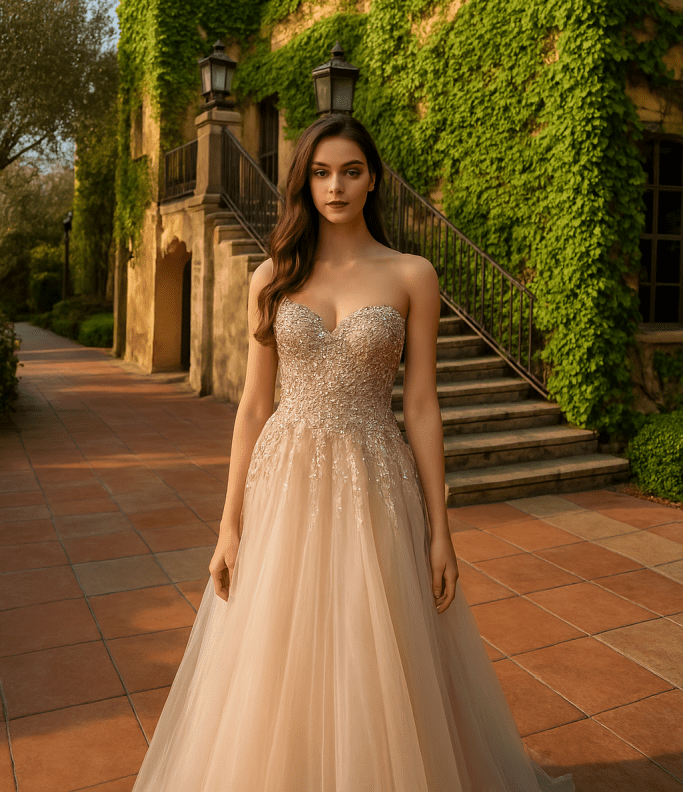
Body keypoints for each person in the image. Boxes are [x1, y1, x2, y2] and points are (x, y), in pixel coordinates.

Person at [132, 113, 574, 791]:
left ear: (373, 181)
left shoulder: (411, 274)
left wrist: (441, 529)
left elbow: (421, 406)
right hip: (285, 481)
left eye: (350, 171)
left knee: (374, 643)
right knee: (279, 643)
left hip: (375, 477)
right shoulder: (272, 277)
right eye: (320, 173)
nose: (335, 186)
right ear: (304, 183)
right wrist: (228, 526)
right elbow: (253, 406)